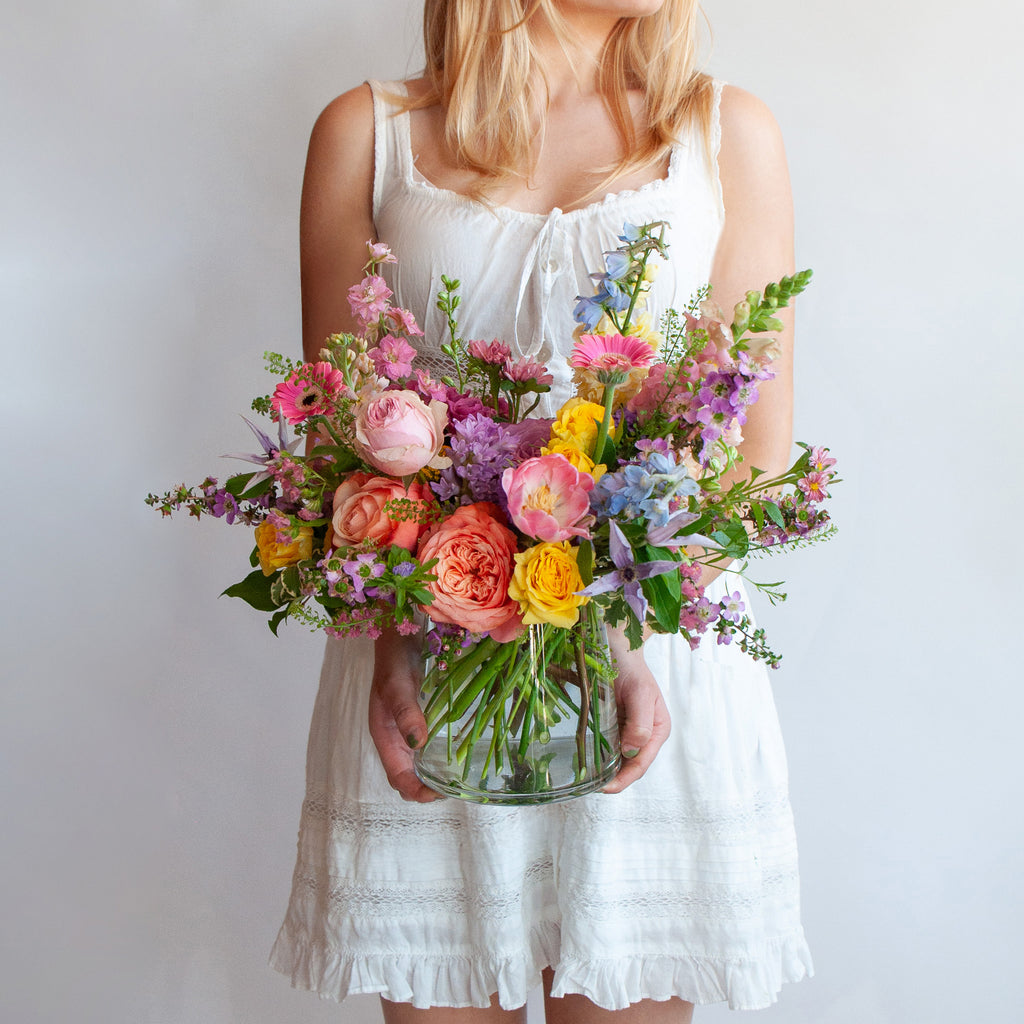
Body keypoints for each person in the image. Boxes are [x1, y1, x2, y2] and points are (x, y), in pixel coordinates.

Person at [270, 2, 812, 1021]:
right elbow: (338, 437)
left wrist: (611, 621)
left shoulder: (724, 133)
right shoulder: (367, 134)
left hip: (656, 667)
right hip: (434, 662)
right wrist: (395, 636)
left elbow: (754, 450)